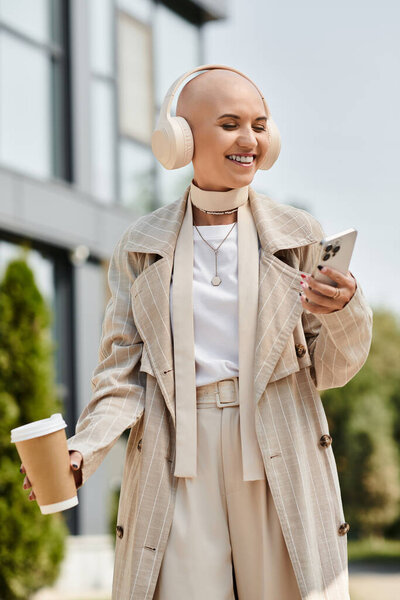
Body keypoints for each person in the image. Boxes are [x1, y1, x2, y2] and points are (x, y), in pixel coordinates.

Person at [21, 65, 373, 600]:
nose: (248, 139)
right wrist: (83, 451)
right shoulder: (141, 244)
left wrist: (345, 308)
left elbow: (333, 369)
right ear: (180, 139)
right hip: (177, 452)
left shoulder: (299, 235)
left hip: (277, 439)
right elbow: (122, 376)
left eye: (259, 125)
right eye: (229, 123)